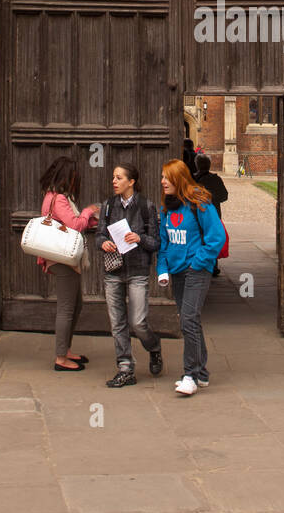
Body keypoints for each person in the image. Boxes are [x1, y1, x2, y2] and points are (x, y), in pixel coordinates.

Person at [158, 158, 225, 396]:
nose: (163, 181)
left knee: (187, 319)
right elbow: (164, 242)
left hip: (196, 270)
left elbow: (217, 237)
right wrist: (162, 269)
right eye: (163, 177)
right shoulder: (167, 207)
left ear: (178, 178)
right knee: (191, 320)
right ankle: (203, 373)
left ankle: (190, 375)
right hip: (176, 272)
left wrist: (199, 261)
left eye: (167, 177)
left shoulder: (200, 203)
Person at [95, 163, 163, 388]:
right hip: (113, 271)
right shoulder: (108, 206)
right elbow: (99, 235)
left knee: (138, 322)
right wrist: (103, 243)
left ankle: (154, 347)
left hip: (137, 272)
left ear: (131, 181)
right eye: (113, 178)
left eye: (118, 178)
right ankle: (125, 368)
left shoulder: (146, 206)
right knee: (117, 323)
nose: (114, 181)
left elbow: (155, 242)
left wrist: (139, 239)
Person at [38, 157, 99, 372]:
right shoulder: (59, 198)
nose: (77, 178)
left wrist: (89, 221)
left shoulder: (52, 197)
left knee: (76, 305)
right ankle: (61, 358)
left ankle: (66, 349)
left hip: (61, 257)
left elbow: (66, 223)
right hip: (63, 259)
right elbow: (74, 225)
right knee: (66, 308)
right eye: (74, 175)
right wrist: (88, 211)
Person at [194, 154, 228, 277]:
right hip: (213, 214)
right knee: (212, 238)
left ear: (197, 165)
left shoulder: (192, 179)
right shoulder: (216, 179)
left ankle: (202, 263)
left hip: (198, 215)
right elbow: (224, 196)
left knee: (200, 238)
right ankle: (213, 265)